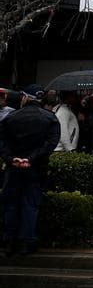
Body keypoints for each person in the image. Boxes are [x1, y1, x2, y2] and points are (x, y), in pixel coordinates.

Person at [0, 85, 60, 256]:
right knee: (30, 205)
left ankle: (10, 242)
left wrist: (12, 159)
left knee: (11, 204)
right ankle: (27, 242)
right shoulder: (50, 118)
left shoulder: (10, 118)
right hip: (36, 168)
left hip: (14, 168)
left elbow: (2, 143)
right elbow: (51, 144)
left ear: (25, 98)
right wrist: (31, 159)